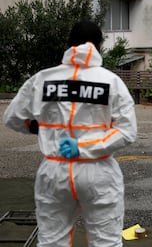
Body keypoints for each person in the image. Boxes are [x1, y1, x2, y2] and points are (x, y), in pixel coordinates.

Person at [3, 21, 137, 247]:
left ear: (68, 44)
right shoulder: (111, 81)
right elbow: (127, 132)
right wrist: (85, 147)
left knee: (52, 241)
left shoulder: (43, 78)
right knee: (106, 242)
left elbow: (12, 117)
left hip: (54, 170)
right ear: (100, 45)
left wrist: (37, 127)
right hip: (99, 171)